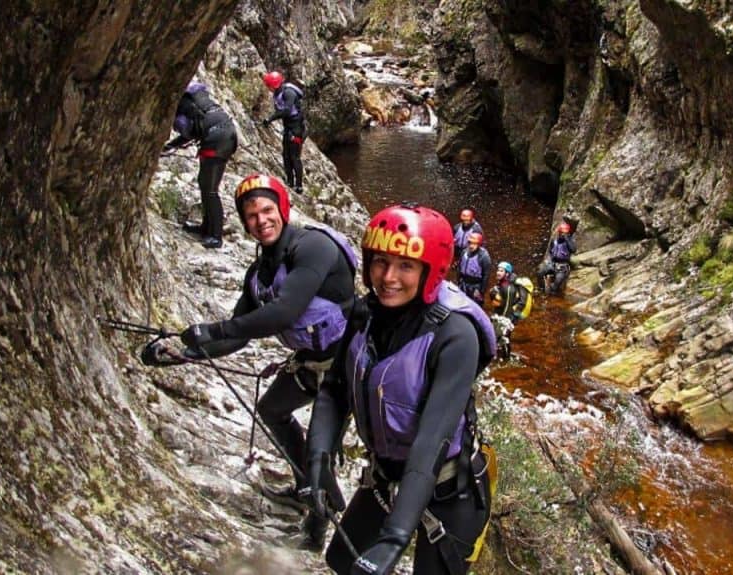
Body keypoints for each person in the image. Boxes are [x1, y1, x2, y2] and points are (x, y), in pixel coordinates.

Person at [156, 173, 358, 550]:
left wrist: (211, 329)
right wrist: (183, 352)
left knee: (319, 449)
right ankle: (308, 488)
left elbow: (284, 312)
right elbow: (239, 334)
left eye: (268, 210)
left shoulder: (313, 247)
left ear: (283, 209)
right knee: (272, 409)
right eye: (251, 215)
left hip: (349, 363)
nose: (261, 220)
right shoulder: (259, 273)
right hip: (312, 361)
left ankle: (318, 530)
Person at [304, 203, 497, 575]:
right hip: (385, 476)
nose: (388, 277)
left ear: (431, 271)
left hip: (448, 489)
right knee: (342, 562)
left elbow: (432, 440)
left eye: (406, 265)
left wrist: (394, 537)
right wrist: (318, 459)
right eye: (380, 261)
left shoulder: (456, 336)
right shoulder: (366, 314)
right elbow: (334, 391)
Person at [164, 81, 238, 249]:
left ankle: (216, 236)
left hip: (216, 140)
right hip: (224, 135)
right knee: (205, 185)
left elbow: (189, 131)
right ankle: (207, 228)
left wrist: (170, 146)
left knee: (210, 189)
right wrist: (170, 146)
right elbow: (196, 127)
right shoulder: (194, 101)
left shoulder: (182, 105)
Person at [261, 71, 307, 194]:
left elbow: (286, 111)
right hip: (288, 127)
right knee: (286, 155)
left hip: (296, 129)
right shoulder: (278, 93)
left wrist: (270, 119)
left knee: (294, 157)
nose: (268, 88)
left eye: (268, 86)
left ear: (273, 85)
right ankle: (290, 181)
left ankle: (299, 185)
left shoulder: (289, 93)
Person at [538, 222, 576, 295]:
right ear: (559, 232)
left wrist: (567, 239)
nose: (563, 234)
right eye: (561, 233)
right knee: (540, 272)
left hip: (563, 266)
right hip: (553, 263)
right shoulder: (554, 240)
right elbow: (550, 251)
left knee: (557, 283)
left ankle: (552, 290)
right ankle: (542, 289)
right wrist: (548, 261)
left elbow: (573, 250)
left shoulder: (569, 241)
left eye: (565, 233)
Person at [456, 232, 491, 305]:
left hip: (475, 286)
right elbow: (459, 267)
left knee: (474, 305)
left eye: (474, 244)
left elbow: (486, 275)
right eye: (470, 243)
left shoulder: (484, 257)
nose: (471, 246)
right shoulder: (464, 252)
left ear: (479, 244)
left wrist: (482, 291)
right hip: (464, 283)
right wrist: (458, 281)